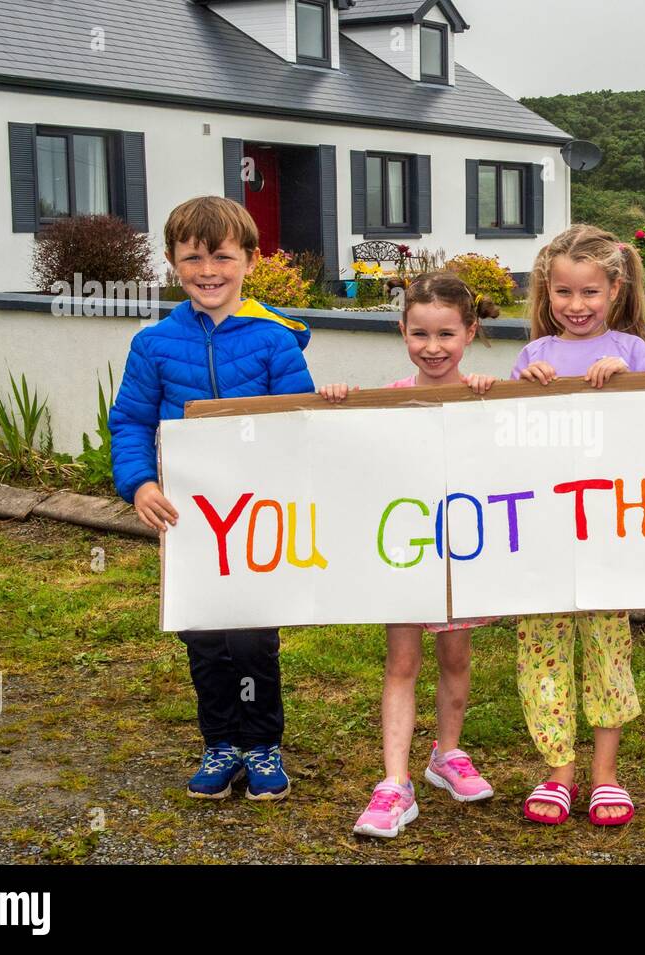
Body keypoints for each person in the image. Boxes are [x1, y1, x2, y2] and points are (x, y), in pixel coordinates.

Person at [110, 195, 316, 801]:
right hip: (189, 517)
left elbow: (298, 422)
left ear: (249, 261)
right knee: (203, 634)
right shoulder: (152, 345)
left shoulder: (276, 342)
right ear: (173, 262)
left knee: (252, 635)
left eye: (222, 256)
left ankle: (262, 744)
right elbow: (129, 422)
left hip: (257, 516)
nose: (208, 270)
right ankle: (220, 742)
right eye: (193, 256)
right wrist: (141, 483)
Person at [320, 271, 500, 838]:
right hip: (403, 556)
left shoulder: (485, 398)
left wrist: (497, 401)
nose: (433, 346)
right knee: (401, 663)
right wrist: (340, 402)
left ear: (469, 331)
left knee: (456, 659)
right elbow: (350, 454)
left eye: (446, 333)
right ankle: (395, 784)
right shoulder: (386, 402)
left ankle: (447, 754)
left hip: (461, 555)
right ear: (401, 330)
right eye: (419, 333)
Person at [511, 224, 645, 826]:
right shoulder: (534, 357)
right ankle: (558, 773)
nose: (576, 307)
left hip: (606, 532)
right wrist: (521, 392)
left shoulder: (635, 354)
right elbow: (509, 434)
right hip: (547, 532)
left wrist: (629, 384)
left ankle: (605, 775)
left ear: (615, 289)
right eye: (563, 294)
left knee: (607, 648)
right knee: (543, 651)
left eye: (589, 294)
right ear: (546, 294)